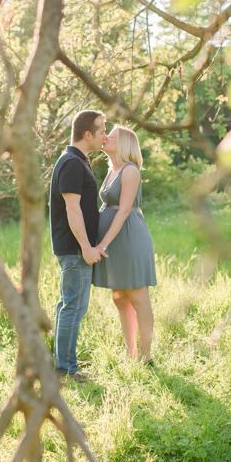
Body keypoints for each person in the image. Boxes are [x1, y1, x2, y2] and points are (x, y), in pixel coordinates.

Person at [49, 110, 107, 383]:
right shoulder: (72, 162)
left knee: (67, 306)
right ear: (88, 134)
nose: (105, 135)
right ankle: (67, 370)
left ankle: (63, 364)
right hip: (74, 248)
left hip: (73, 247)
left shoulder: (76, 160)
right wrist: (85, 245)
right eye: (102, 130)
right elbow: (72, 207)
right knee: (73, 307)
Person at [92, 126, 157, 364]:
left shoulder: (130, 170)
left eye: (112, 136)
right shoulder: (112, 170)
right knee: (120, 298)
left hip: (128, 238)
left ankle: (146, 355)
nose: (105, 137)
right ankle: (131, 353)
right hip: (114, 240)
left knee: (138, 296)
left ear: (124, 144)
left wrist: (104, 243)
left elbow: (124, 210)